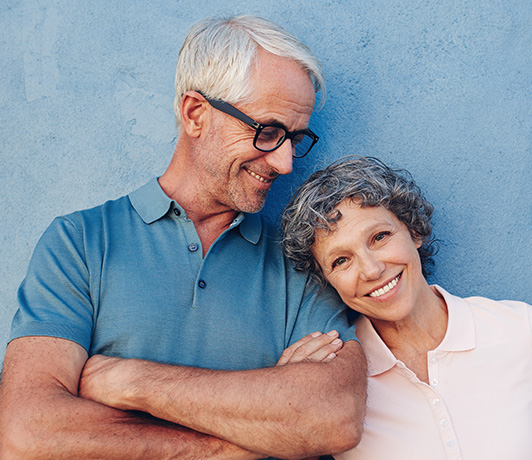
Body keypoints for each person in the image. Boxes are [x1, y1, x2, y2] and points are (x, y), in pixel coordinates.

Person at [0, 16, 367, 459]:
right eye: (268, 132)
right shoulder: (79, 242)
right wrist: (249, 438)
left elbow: (333, 415)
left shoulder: (303, 260)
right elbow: (28, 433)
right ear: (195, 113)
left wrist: (131, 382)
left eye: (294, 138)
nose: (286, 163)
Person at [280, 155, 532, 460]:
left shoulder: (521, 330)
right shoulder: (332, 378)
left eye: (379, 237)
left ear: (414, 231)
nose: (371, 270)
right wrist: (288, 401)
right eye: (341, 261)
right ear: (327, 281)